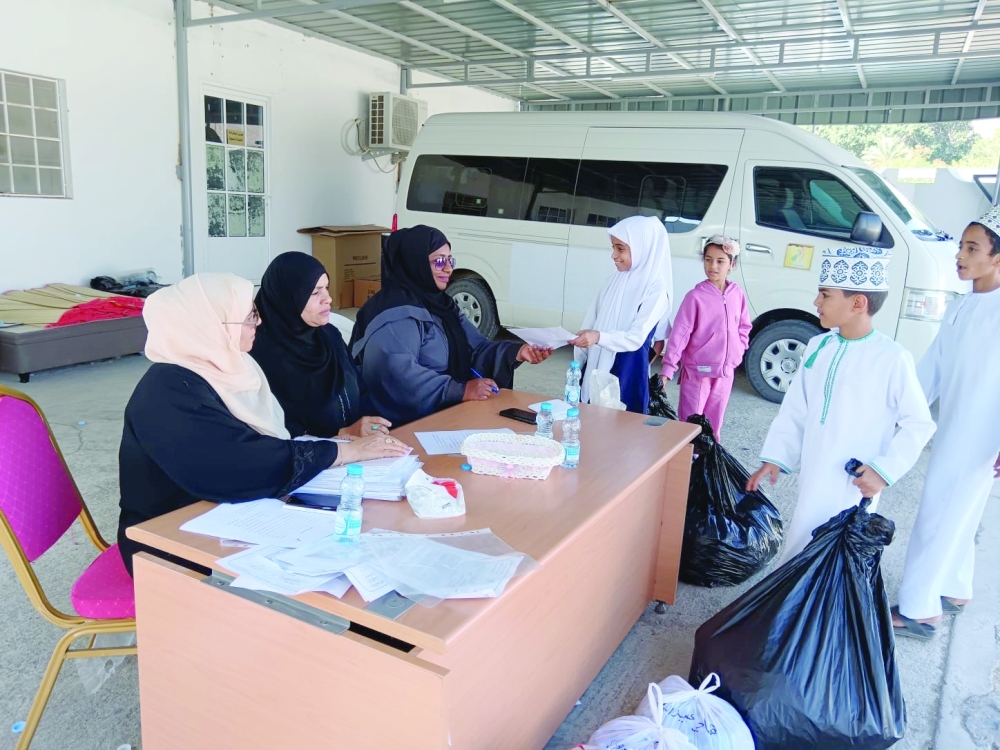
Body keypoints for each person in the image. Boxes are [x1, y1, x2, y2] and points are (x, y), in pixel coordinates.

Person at [117, 273, 410, 575]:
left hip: (226, 515)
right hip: (165, 540)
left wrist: (342, 437)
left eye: (254, 313)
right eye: (248, 317)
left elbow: (276, 427)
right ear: (209, 328)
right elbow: (236, 463)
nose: (258, 323)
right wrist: (345, 453)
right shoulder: (168, 390)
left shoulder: (234, 366)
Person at [746, 247, 935, 566]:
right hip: (816, 473)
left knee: (838, 559)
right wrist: (776, 456)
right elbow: (796, 408)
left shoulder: (891, 358)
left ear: (858, 303)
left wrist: (883, 471)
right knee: (803, 541)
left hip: (855, 481)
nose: (816, 302)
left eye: (825, 295)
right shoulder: (819, 346)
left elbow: (920, 423)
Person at [892, 209, 1000, 640]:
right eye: (960, 246)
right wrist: (901, 411)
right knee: (960, 509)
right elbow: (932, 369)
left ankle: (920, 610)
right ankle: (955, 589)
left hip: (982, 433)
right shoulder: (966, 303)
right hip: (958, 425)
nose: (959, 255)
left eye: (972, 249)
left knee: (941, 510)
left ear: (997, 259)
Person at [350, 225, 552, 426]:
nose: (448, 268)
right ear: (415, 263)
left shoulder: (442, 306)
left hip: (447, 416)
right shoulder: (392, 314)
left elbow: (476, 347)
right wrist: (460, 390)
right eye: (439, 261)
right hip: (400, 428)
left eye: (449, 260)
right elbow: (396, 375)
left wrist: (517, 352)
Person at [250, 251, 389, 438]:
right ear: (287, 298)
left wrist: (374, 424)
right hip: (311, 460)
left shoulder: (329, 336)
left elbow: (359, 386)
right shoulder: (258, 355)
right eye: (315, 292)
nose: (328, 299)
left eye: (327, 288)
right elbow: (275, 430)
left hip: (362, 451)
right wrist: (341, 433)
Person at [569, 215, 672, 414]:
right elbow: (592, 319)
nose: (614, 255)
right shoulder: (613, 282)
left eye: (621, 248)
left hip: (627, 368)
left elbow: (636, 337)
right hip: (598, 362)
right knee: (592, 420)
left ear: (643, 247)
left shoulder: (656, 290)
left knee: (623, 429)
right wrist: (579, 356)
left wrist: (599, 337)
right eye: (613, 248)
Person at [659, 235, 750, 441]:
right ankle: (687, 468)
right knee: (690, 427)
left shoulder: (738, 295)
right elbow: (680, 335)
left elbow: (744, 326)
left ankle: (707, 470)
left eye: (720, 261)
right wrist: (668, 370)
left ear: (732, 265)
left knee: (713, 428)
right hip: (698, 374)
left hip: (725, 374)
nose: (713, 266)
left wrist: (738, 349)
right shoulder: (695, 297)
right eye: (708, 259)